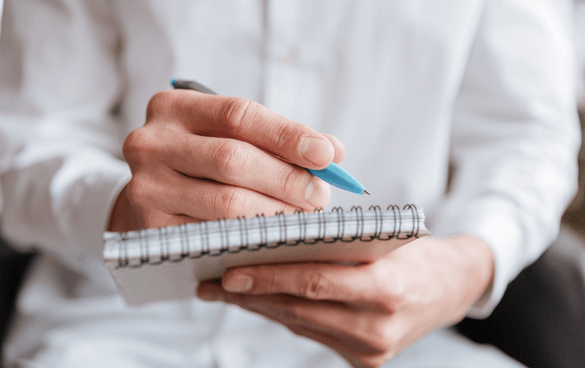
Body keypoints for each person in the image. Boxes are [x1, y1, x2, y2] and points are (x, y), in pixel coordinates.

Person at [0, 0, 581, 367]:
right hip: (109, 327)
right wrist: (120, 209)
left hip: (397, 334)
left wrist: (463, 269)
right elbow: (25, 143)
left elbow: (528, 138)